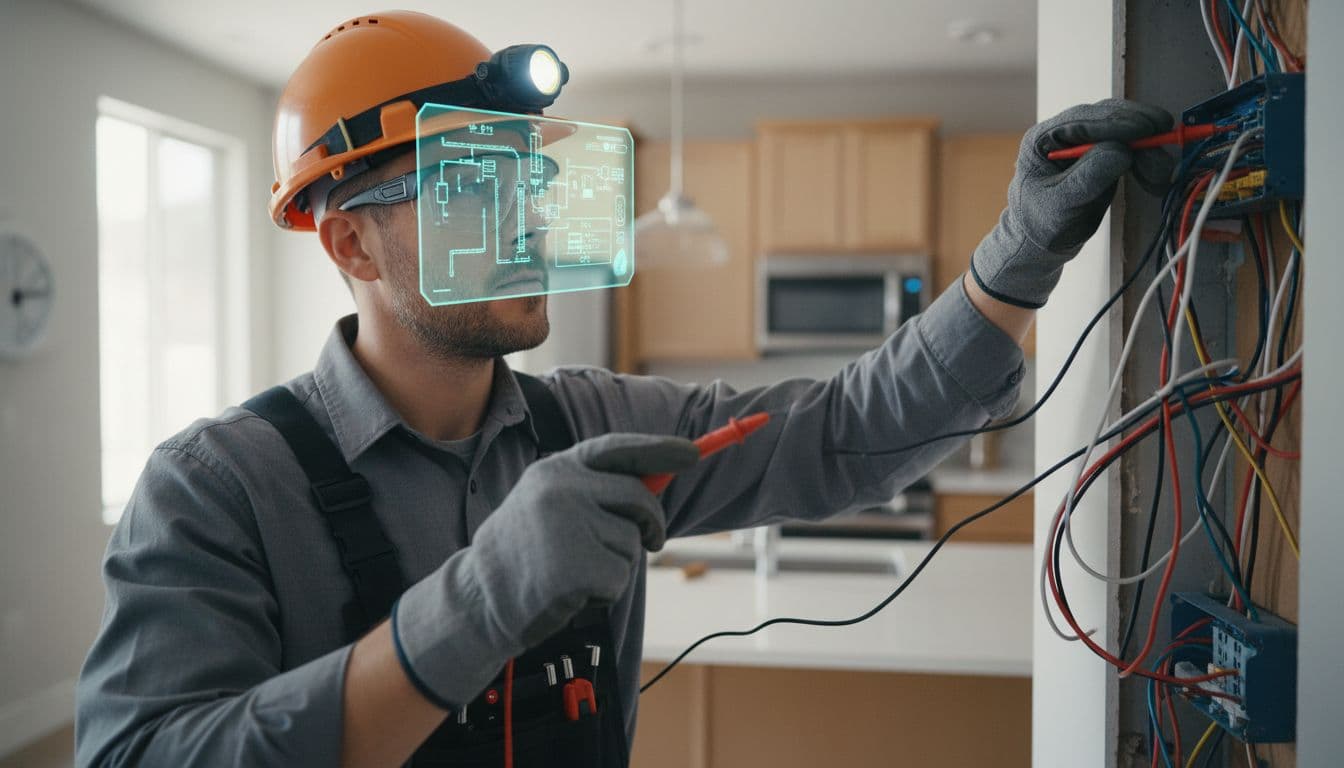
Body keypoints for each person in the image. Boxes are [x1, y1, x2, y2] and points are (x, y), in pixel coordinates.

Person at [74, 10, 1174, 768]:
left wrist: (1019, 255)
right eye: (473, 192)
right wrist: (477, 600)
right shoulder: (213, 488)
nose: (529, 228)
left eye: (532, 182)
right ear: (353, 244)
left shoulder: (596, 423)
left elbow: (840, 432)